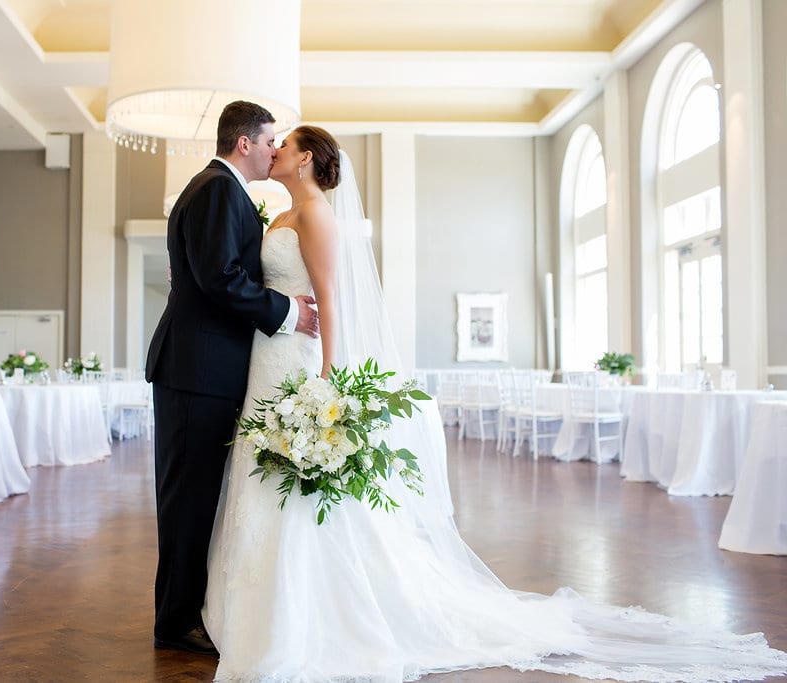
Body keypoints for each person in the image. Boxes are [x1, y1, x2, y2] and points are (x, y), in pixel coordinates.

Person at [201, 125, 787, 682]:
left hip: (301, 363)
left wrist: (328, 380)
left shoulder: (318, 216)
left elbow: (332, 302)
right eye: (270, 141)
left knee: (301, 485)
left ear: (305, 158)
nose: (274, 149)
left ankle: (307, 618)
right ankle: (254, 613)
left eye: (286, 144)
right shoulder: (277, 213)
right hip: (266, 360)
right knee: (261, 475)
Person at [145, 101, 319, 656]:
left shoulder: (220, 190)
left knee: (195, 497)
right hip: (198, 370)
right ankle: (174, 623)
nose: (274, 149)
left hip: (204, 368)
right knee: (188, 500)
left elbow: (209, 272)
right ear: (244, 143)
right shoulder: (219, 189)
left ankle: (182, 611)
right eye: (270, 140)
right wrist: (291, 312)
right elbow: (221, 279)